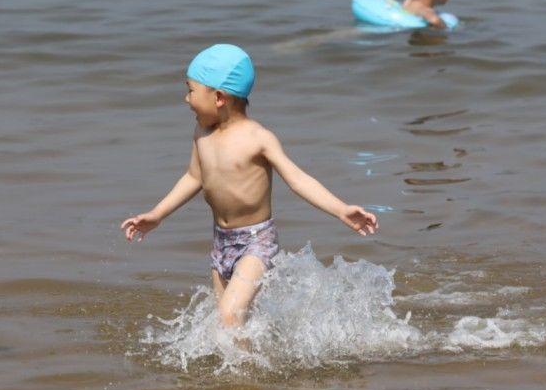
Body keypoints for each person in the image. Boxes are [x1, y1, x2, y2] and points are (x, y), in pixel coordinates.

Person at [121, 44, 378, 329]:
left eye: (191, 90)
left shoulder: (258, 138)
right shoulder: (202, 133)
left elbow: (297, 179)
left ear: (218, 97)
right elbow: (194, 177)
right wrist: (157, 214)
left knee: (230, 315)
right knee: (228, 328)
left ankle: (248, 372)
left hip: (257, 242)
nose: (186, 99)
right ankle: (247, 371)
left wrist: (341, 209)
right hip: (221, 242)